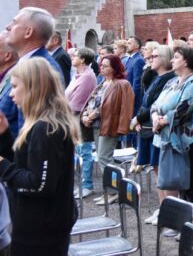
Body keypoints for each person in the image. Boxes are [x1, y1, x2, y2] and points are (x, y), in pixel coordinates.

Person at [0, 58, 80, 255]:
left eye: (15, 87)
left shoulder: (46, 129)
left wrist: (2, 166)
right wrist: (4, 135)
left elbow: (39, 184)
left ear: (32, 88)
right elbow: (25, 164)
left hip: (42, 230)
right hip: (37, 224)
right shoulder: (40, 124)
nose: (11, 94)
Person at [151, 46, 193, 233]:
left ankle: (192, 227)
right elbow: (155, 104)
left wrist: (163, 120)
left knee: (189, 185)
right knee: (174, 183)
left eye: (176, 57)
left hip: (185, 142)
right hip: (166, 138)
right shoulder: (171, 82)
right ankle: (180, 222)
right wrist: (155, 117)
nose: (172, 60)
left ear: (186, 61)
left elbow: (185, 107)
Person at [0, 7, 63, 148]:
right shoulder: (28, 64)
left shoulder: (41, 69)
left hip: (19, 163)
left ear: (28, 32)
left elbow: (30, 133)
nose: (7, 27)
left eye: (14, 22)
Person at [82, 55, 134, 205]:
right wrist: (86, 114)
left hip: (110, 125)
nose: (102, 68)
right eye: (101, 65)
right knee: (102, 157)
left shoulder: (122, 84)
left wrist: (93, 114)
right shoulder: (102, 83)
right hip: (96, 125)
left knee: (105, 158)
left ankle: (116, 191)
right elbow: (92, 101)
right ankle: (110, 190)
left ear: (115, 67)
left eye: (106, 66)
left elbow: (123, 108)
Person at [136, 45, 176, 225]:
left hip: (157, 129)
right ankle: (162, 206)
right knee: (156, 168)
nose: (150, 59)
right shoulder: (156, 78)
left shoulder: (169, 78)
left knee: (162, 170)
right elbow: (147, 102)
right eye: (150, 56)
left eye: (155, 56)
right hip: (147, 127)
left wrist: (137, 119)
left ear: (166, 58)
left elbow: (156, 105)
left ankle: (168, 209)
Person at [65, 48, 98, 198]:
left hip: (79, 118)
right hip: (72, 117)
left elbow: (77, 102)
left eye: (76, 56)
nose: (72, 57)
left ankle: (87, 185)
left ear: (83, 59)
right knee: (78, 152)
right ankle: (80, 184)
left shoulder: (87, 77)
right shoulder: (78, 75)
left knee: (84, 152)